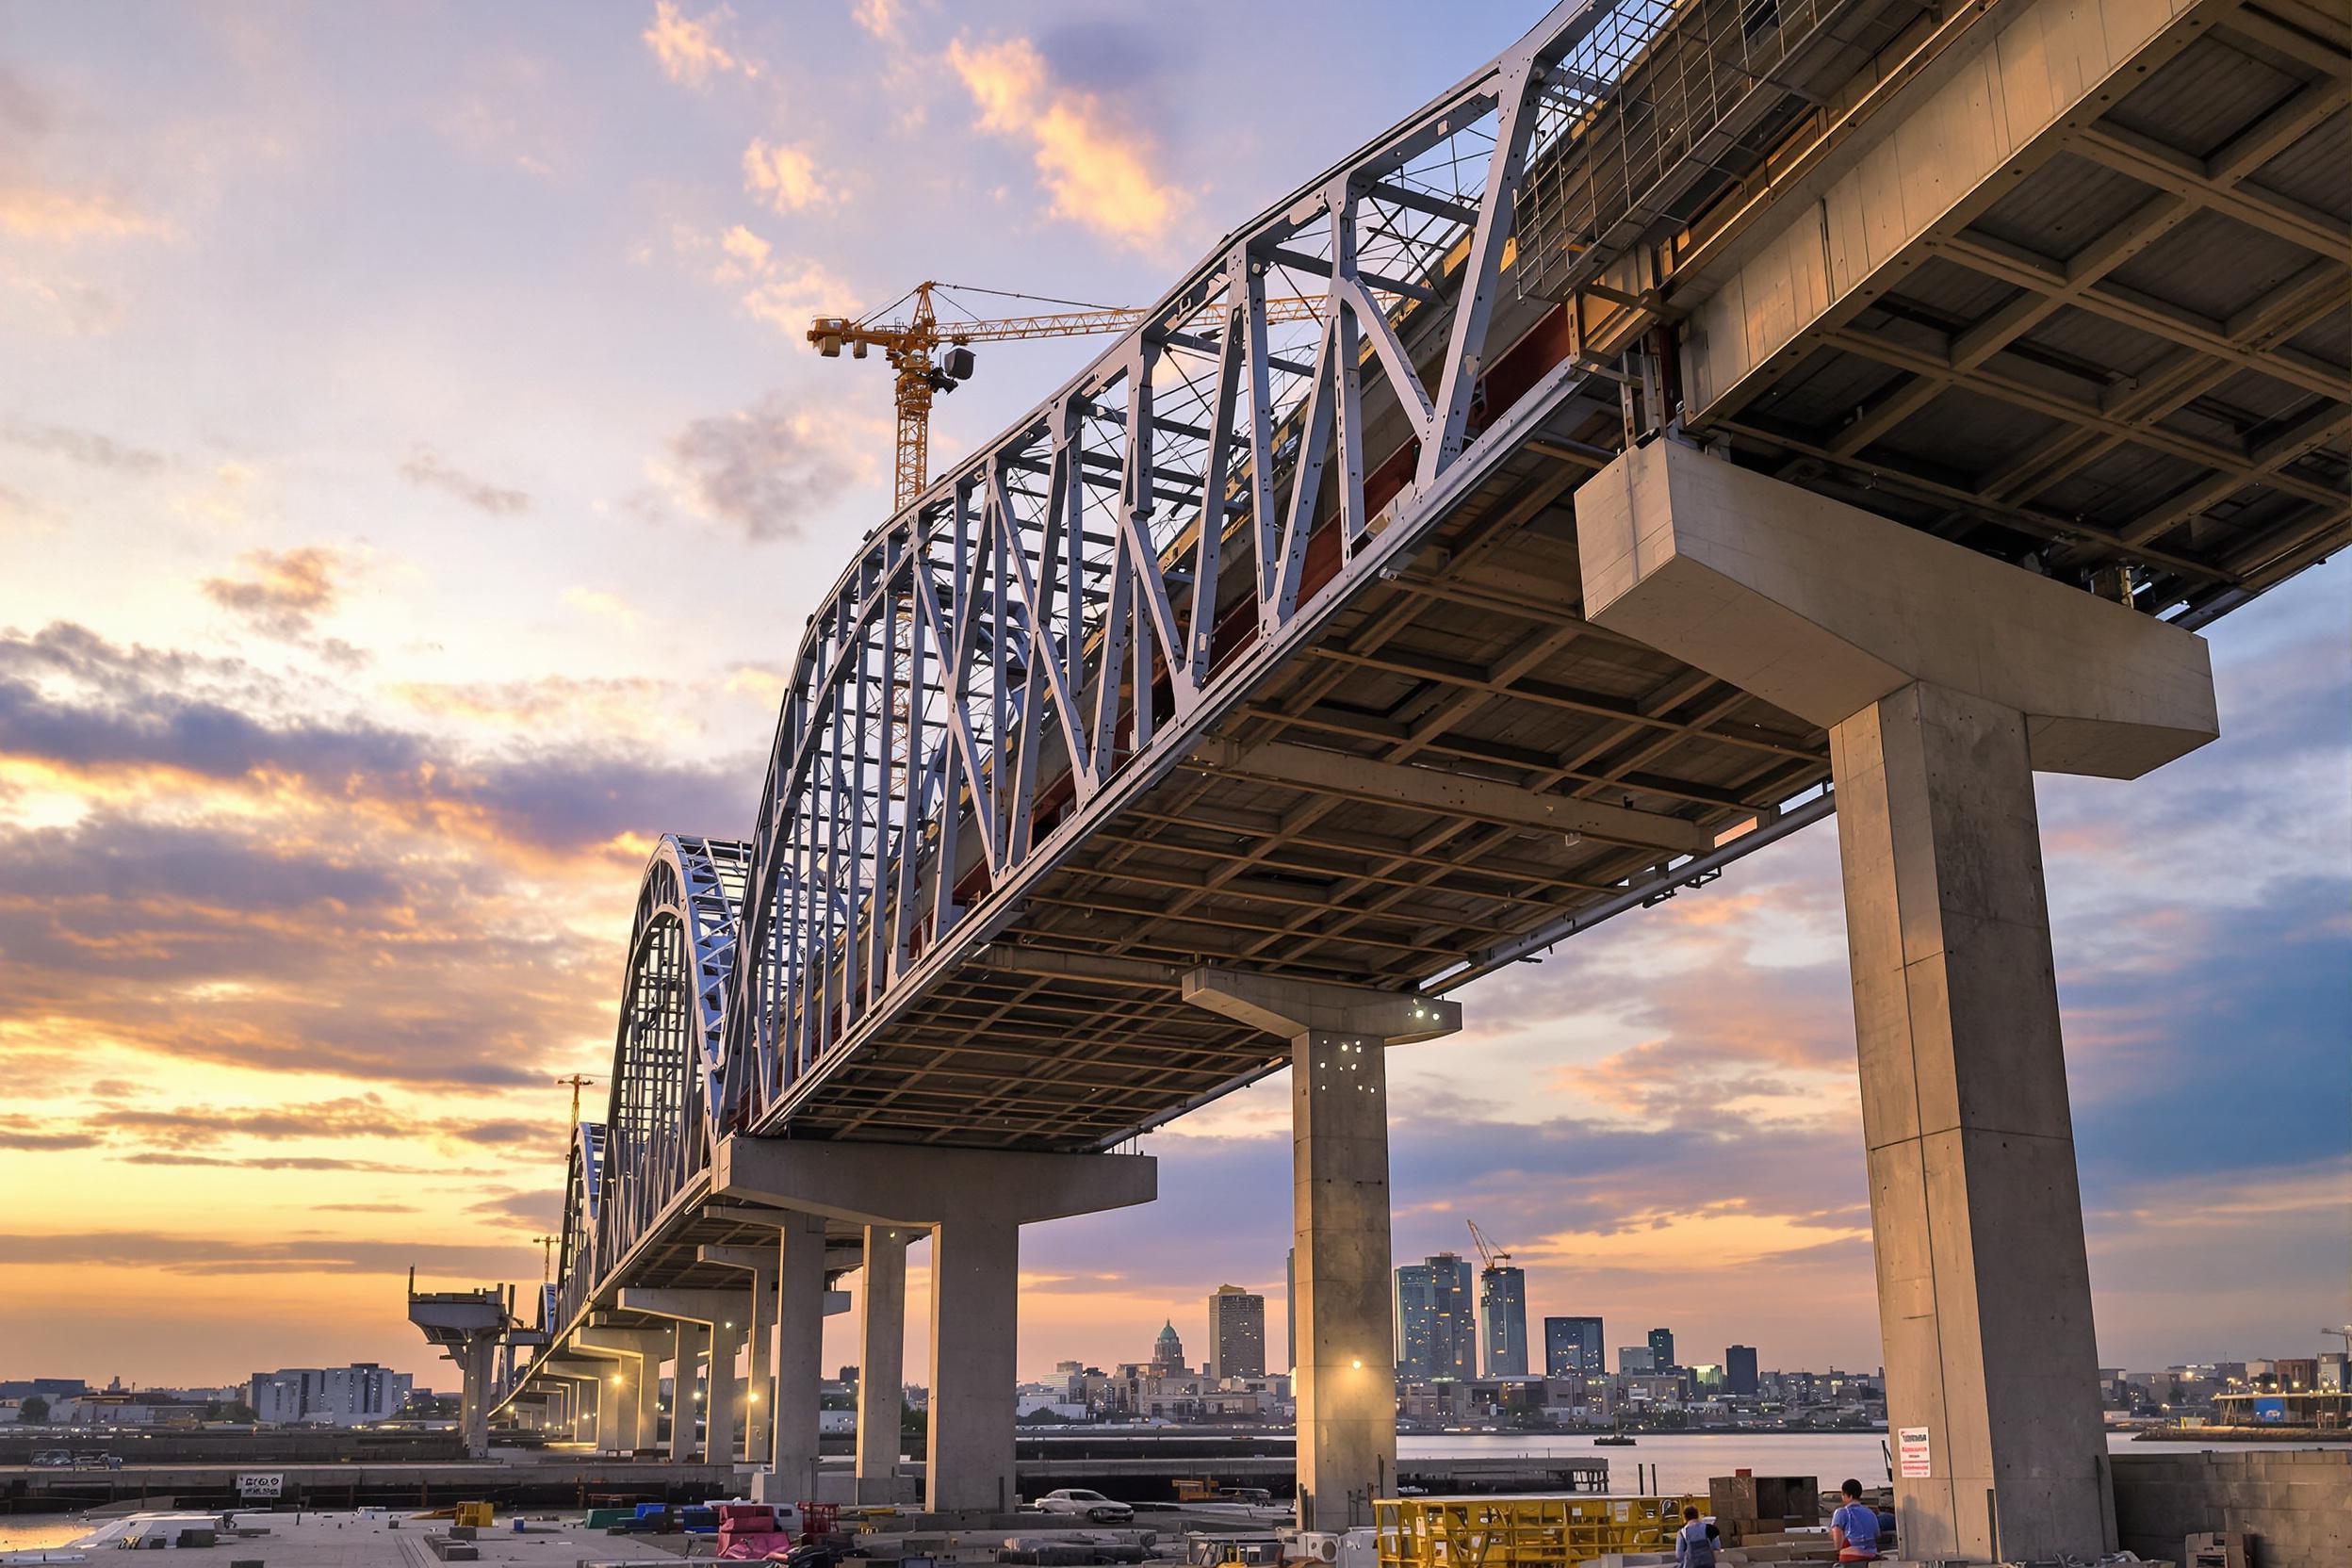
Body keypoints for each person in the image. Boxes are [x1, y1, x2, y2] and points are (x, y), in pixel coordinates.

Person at [1830, 1479, 1883, 1562]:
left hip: (1852, 1555)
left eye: (1843, 1495)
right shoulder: (1870, 1513)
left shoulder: (1841, 1512)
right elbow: (1877, 1535)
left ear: (1850, 1496)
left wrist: (1837, 1551)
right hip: (1871, 1554)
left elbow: (1837, 1534)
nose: (1842, 1497)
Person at [1673, 1504, 1716, 1568]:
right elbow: (1716, 1546)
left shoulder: (1682, 1532)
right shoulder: (1708, 1528)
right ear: (1697, 1515)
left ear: (1684, 1517)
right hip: (1708, 1564)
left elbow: (1679, 1555)